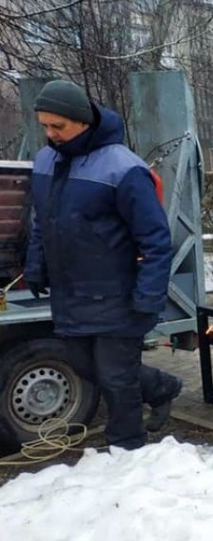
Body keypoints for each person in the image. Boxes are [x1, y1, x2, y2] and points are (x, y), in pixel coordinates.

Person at [25, 79, 182, 450]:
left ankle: (125, 449)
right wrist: (36, 263)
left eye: (57, 126)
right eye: (45, 126)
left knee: (116, 378)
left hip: (118, 294)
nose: (50, 134)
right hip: (72, 293)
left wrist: (149, 296)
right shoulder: (45, 160)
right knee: (83, 365)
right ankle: (163, 388)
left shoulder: (123, 168)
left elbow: (156, 240)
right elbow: (41, 220)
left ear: (83, 121)